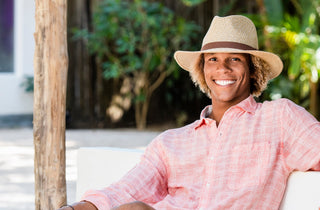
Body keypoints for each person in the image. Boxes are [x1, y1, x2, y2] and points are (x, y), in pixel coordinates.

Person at [59, 15, 320, 210]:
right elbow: (127, 188)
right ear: (203, 70)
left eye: (235, 59)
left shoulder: (279, 118)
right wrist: (75, 208)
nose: (223, 69)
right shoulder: (171, 143)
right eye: (213, 59)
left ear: (253, 69)